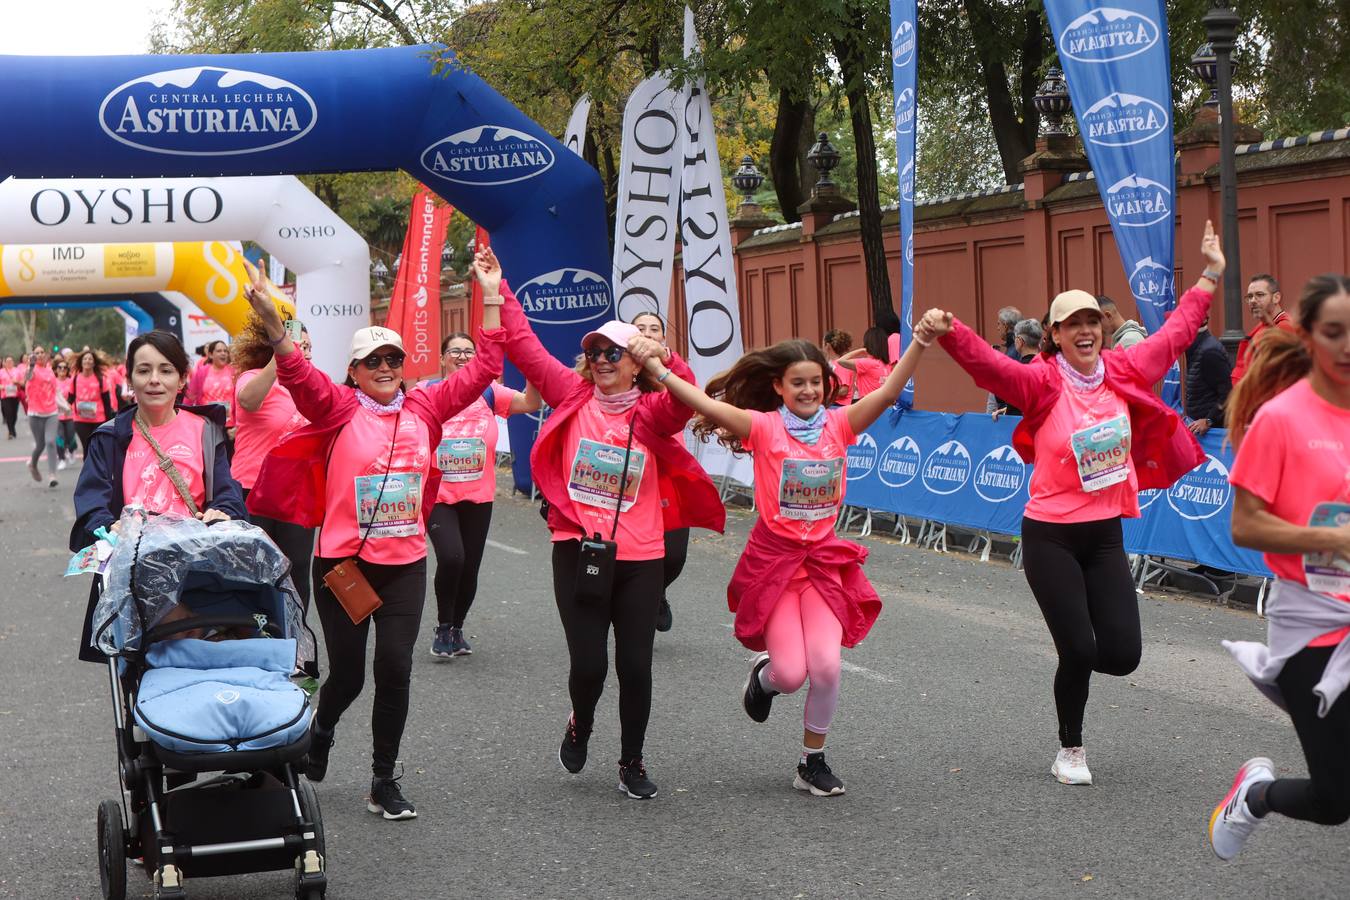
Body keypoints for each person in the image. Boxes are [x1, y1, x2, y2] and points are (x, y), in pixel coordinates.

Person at [920, 221, 1225, 786]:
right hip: (1050, 534)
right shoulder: (1040, 383)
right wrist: (952, 329)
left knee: (1123, 654)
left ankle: (1077, 656)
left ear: (1102, 329)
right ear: (1055, 334)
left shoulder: (1127, 370)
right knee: (1078, 649)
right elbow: (991, 368)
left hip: (1105, 532)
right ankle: (1071, 748)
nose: (1085, 331)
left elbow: (1177, 333)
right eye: (1071, 324)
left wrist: (1209, 273)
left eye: (1092, 321)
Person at [243, 260, 505, 821]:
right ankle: (324, 727)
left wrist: (488, 297)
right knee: (351, 674)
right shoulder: (336, 408)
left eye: (393, 359)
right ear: (355, 370)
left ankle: (383, 779)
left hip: (405, 564)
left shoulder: (426, 406)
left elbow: (485, 367)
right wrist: (271, 319)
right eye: (372, 361)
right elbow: (294, 371)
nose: (385, 367)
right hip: (344, 564)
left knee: (394, 667)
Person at [644, 324, 933, 796]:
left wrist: (918, 343)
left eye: (815, 382)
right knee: (791, 674)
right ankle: (764, 677)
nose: (808, 390)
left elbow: (888, 393)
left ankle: (810, 762)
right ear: (778, 386)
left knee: (826, 667)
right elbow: (705, 405)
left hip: (822, 563)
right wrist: (659, 370)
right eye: (797, 382)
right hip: (775, 563)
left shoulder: (841, 424)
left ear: (827, 384)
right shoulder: (763, 427)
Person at [490, 248, 723, 801]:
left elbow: (684, 403)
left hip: (642, 556)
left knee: (636, 667)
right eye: (593, 350)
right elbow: (523, 345)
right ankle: (581, 722)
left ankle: (632, 761)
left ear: (635, 362)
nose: (599, 358)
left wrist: (663, 357)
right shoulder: (570, 395)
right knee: (590, 665)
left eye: (612, 351)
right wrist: (498, 289)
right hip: (578, 549)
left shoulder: (651, 411)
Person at [1206, 273, 1350, 860]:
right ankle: (1255, 796)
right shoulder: (1282, 419)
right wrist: (1330, 539)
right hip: (1313, 626)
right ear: (1308, 336)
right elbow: (1245, 525)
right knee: (1335, 800)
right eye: (1333, 332)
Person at [70, 330, 244, 664]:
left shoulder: (206, 431)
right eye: (144, 370)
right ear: (130, 379)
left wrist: (223, 510)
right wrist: (108, 526)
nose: (154, 380)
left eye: (165, 370)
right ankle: (197, 637)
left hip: (199, 568)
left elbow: (227, 492)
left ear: (182, 380)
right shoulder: (108, 439)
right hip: (135, 571)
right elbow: (92, 507)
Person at [423, 330, 541, 658]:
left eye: (468, 351)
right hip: (439, 494)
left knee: (470, 566)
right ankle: (443, 626)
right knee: (452, 557)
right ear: (442, 359)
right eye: (455, 351)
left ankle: (456, 629)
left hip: (479, 495)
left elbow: (532, 403)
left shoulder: (490, 393)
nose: (462, 356)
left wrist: (532, 371)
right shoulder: (428, 392)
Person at [231, 318, 316, 610]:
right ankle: (258, 641)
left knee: (297, 569)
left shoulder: (310, 382)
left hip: (297, 491)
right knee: (256, 569)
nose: (303, 351)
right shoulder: (253, 377)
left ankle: (296, 642)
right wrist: (281, 356)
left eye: (307, 346)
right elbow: (247, 400)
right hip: (253, 489)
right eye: (297, 344)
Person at [632, 310, 691, 633]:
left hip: (671, 475)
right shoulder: (618, 372)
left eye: (654, 329)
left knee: (675, 556)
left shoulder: (673, 373)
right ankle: (637, 602)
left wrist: (666, 362)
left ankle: (657, 592)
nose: (648, 333)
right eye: (640, 328)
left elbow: (689, 394)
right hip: (632, 479)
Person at [1232, 274, 1297, 385]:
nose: (1252, 301)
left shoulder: (1284, 328)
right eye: (1250, 296)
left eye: (1260, 295)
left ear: (1276, 297)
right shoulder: (1263, 326)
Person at [1183, 315, 1233, 438]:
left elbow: (1228, 394)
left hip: (1212, 434)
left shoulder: (1210, 353)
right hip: (1201, 431)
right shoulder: (1196, 347)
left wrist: (1208, 420)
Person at [22, 346, 60, 488]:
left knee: (50, 441)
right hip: (35, 413)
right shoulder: (31, 369)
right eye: (36, 353)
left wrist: (65, 406)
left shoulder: (50, 371)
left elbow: (56, 391)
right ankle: (33, 464)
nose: (39, 354)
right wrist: (31, 366)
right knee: (40, 444)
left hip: (51, 411)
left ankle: (52, 474)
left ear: (45, 354)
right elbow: (28, 377)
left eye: (41, 352)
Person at [991, 318, 1043, 419]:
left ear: (1020, 341)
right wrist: (1006, 409)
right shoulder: (1051, 367)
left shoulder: (1017, 373)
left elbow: (1016, 410)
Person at [193, 340, 236, 455]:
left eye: (225, 351)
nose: (223, 353)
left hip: (229, 426)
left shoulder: (233, 371)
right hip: (208, 424)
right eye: (219, 351)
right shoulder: (202, 372)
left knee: (229, 460)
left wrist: (238, 425)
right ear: (211, 354)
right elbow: (190, 396)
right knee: (211, 460)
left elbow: (240, 400)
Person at [69, 350, 116, 458]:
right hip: (80, 419)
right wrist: (66, 406)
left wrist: (109, 422)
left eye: (90, 359)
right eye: (85, 359)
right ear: (81, 362)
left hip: (98, 419)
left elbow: (106, 402)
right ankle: (88, 472)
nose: (87, 361)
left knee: (97, 446)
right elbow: (70, 398)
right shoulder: (75, 378)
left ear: (94, 363)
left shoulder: (100, 379)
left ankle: (97, 470)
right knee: (87, 446)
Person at [834, 327, 891, 399]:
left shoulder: (867, 363)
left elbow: (841, 361)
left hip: (868, 405)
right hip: (883, 404)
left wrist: (860, 350)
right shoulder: (886, 364)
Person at [822, 329, 855, 407]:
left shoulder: (841, 364)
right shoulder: (831, 364)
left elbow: (844, 390)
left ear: (827, 345)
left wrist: (826, 397)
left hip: (838, 406)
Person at [53, 358, 76, 468]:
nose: (62, 369)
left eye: (64, 368)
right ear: (56, 370)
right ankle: (61, 458)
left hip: (70, 414)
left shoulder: (71, 381)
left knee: (70, 436)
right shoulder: (53, 381)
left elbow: (75, 396)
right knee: (60, 437)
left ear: (67, 370)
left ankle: (71, 451)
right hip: (57, 414)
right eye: (59, 367)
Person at [0, 356, 19, 439]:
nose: (9, 363)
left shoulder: (17, 371)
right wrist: (2, 387)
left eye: (10, 361)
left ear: (13, 362)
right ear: (4, 363)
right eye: (7, 361)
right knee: (8, 413)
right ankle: (11, 431)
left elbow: (22, 382)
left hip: (15, 395)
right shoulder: (1, 372)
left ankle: (12, 427)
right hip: (5, 395)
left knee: (14, 414)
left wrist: (17, 382)